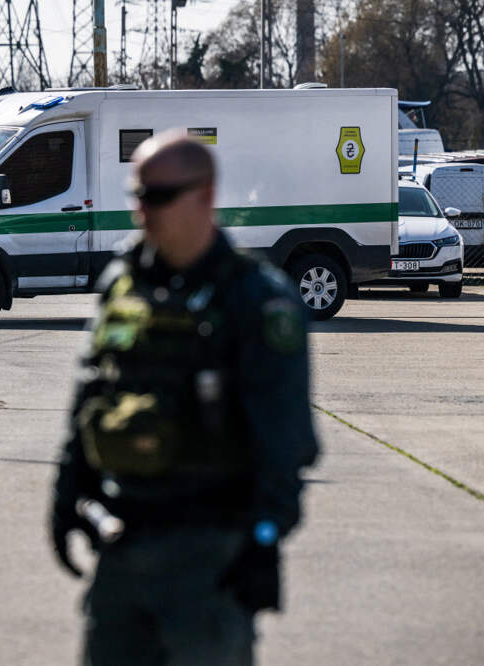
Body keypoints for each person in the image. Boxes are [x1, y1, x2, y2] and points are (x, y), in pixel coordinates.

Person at [50, 131, 319, 665]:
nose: (143, 211)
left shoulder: (256, 298)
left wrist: (265, 540)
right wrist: (65, 493)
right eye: (137, 195)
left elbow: (286, 442)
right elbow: (90, 395)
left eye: (159, 197)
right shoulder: (123, 285)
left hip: (210, 558)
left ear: (206, 195)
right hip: (123, 546)